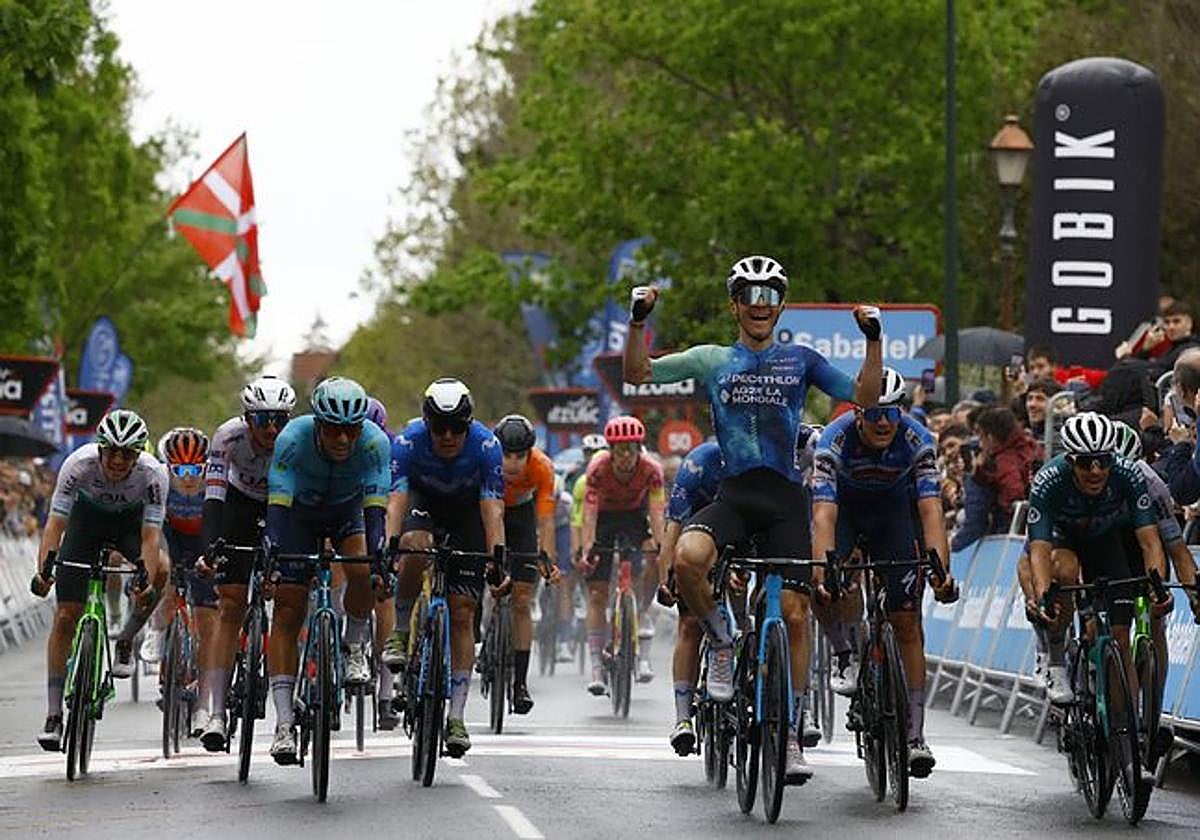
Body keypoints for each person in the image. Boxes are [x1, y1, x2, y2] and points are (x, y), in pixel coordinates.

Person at [622, 254, 884, 781]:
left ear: (781, 305)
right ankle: (722, 641)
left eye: (769, 296)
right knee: (689, 559)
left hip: (785, 501)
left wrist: (873, 340)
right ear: (734, 304)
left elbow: (865, 397)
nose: (759, 305)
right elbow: (638, 373)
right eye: (749, 295)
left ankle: (791, 736)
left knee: (794, 614)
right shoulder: (712, 359)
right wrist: (637, 321)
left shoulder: (802, 360)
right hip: (735, 495)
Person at [810, 367, 959, 778]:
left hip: (894, 518)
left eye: (891, 414)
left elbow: (931, 511)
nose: (883, 423)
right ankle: (844, 653)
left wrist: (940, 571)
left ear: (901, 414)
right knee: (821, 584)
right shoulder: (833, 440)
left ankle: (915, 736)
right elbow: (823, 515)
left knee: (907, 622)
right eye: (874, 414)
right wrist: (825, 570)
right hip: (844, 514)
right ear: (858, 413)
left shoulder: (917, 439)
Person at [263, 377, 391, 765]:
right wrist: (272, 549)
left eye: (351, 429)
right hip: (299, 514)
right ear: (318, 423)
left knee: (364, 568)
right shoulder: (292, 438)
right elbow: (278, 505)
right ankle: (284, 722)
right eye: (334, 429)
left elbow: (376, 512)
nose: (343, 439)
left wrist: (379, 557)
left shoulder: (374, 443)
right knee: (288, 609)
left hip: (347, 512)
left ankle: (354, 644)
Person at [30, 410, 169, 750]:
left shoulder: (153, 474)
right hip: (86, 523)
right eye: (113, 452)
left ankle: (126, 638)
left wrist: (145, 580)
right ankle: (53, 714)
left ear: (139, 454)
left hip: (129, 525)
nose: (119, 460)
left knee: (162, 570)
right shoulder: (78, 465)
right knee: (65, 617)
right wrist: (44, 572)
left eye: (128, 454)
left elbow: (150, 537)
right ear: (100, 448)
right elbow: (55, 525)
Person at [386, 378, 506, 758]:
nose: (449, 436)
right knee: (415, 545)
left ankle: (456, 716)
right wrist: (390, 546)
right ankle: (401, 629)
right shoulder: (408, 441)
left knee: (463, 611)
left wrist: (496, 559)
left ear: (469, 425)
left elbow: (492, 509)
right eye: (440, 428)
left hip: (467, 512)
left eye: (457, 428)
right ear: (427, 423)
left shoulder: (487, 446)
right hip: (423, 503)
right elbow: (396, 500)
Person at [1024, 413, 1169, 710]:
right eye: (1085, 463)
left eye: (1103, 461)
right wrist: (1044, 597)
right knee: (1064, 572)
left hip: (1103, 539)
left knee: (1120, 636)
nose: (1096, 470)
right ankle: (1056, 661)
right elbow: (1038, 549)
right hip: (1063, 535)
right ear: (1070, 461)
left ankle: (1124, 728)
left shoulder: (1129, 473)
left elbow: (1150, 541)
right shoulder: (1048, 480)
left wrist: (1157, 586)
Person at [198, 374, 296, 751]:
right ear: (247, 418)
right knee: (230, 605)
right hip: (237, 505)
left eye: (279, 419)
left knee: (288, 595)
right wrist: (211, 548)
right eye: (263, 419)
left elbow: (302, 502)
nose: (272, 429)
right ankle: (217, 714)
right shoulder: (227, 437)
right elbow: (213, 498)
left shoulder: (296, 441)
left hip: (280, 505)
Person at [578, 416, 666, 690]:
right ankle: (596, 665)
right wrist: (587, 547)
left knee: (654, 556)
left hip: (634, 515)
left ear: (639, 448)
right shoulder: (598, 468)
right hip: (604, 517)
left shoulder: (652, 469)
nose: (626, 455)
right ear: (611, 450)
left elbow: (657, 513)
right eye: (620, 449)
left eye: (631, 448)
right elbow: (589, 513)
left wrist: (661, 547)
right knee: (597, 593)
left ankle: (642, 611)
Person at [152, 427, 219, 741]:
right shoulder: (159, 481)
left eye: (196, 469)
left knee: (207, 621)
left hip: (204, 538)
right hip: (171, 536)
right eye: (181, 470)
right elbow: (148, 528)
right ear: (169, 468)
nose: (189, 477)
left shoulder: (216, 482)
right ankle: (158, 632)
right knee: (165, 579)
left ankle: (203, 705)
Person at [656, 440, 723, 755]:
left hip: (741, 536)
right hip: (695, 532)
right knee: (690, 624)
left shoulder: (761, 456)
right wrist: (666, 579)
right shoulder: (698, 464)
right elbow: (672, 528)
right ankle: (683, 718)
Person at [494, 414, 560, 713]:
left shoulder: (542, 467)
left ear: (529, 454)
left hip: (522, 516)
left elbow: (545, 520)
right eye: (507, 455)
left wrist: (546, 558)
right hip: (488, 509)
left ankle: (519, 684)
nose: (512, 463)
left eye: (519, 456)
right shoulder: (486, 459)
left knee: (522, 600)